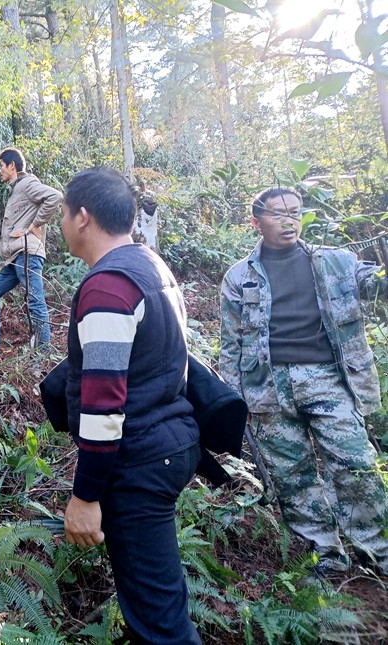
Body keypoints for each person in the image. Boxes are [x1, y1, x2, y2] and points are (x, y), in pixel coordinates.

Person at [58, 167, 201, 643]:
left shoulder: (107, 287)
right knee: (159, 596)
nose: (60, 222)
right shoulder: (150, 265)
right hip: (170, 441)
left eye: (62, 212)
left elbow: (104, 405)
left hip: (138, 461)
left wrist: (85, 496)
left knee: (160, 624)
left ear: (82, 217)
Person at [220, 187, 388, 577]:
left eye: (295, 212)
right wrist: (231, 402)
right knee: (292, 476)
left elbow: (375, 282)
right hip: (267, 387)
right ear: (256, 221)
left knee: (356, 464)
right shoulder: (239, 276)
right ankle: (326, 556)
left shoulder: (335, 262)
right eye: (278, 213)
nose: (289, 220)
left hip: (327, 380)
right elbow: (230, 344)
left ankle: (378, 552)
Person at [0, 147, 62, 356]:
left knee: (36, 302)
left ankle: (43, 356)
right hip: (15, 258)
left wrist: (35, 224)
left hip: (27, 253)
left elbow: (55, 196)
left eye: (1, 165)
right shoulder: (16, 189)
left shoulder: (27, 184)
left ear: (12, 166)